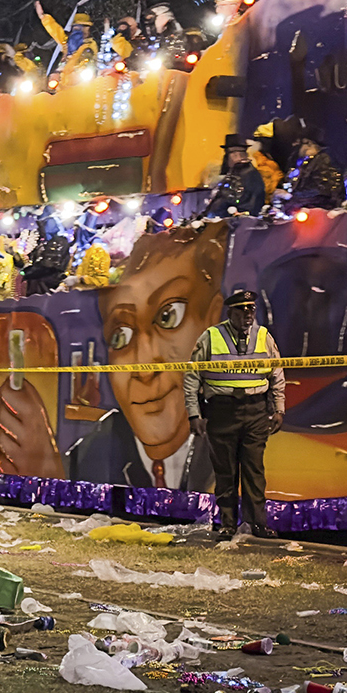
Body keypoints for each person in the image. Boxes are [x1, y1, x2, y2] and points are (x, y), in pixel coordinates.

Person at [64, 220, 225, 492]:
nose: (145, 368)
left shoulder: (242, 444)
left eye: (169, 317)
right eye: (121, 336)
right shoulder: (88, 459)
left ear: (213, 319)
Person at [193, 288, 282, 538]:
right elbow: (191, 377)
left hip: (255, 410)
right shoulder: (210, 336)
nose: (247, 314)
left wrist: (279, 408)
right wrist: (194, 414)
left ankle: (257, 524)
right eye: (241, 310)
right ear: (230, 312)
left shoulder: (264, 336)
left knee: (254, 470)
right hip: (222, 411)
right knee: (225, 471)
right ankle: (227, 524)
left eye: (251, 309)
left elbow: (277, 374)